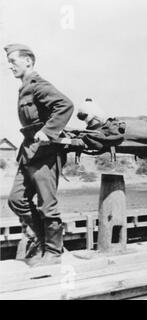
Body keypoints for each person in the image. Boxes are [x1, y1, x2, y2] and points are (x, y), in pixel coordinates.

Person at [5, 44, 74, 266]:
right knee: (16, 200)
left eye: (13, 61)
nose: (9, 66)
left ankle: (53, 253)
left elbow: (65, 105)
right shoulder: (24, 87)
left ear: (28, 61)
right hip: (28, 152)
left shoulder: (38, 85)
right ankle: (39, 238)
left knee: (47, 204)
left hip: (44, 153)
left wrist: (48, 131)